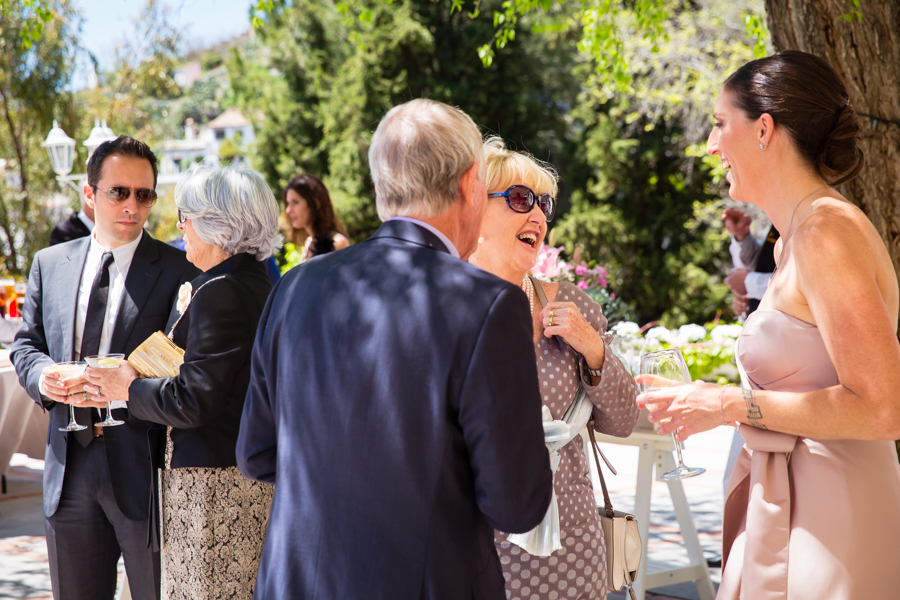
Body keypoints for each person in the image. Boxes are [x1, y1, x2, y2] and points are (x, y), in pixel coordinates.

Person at [237, 99, 553, 599]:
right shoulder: (488, 303)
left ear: (381, 185)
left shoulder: (295, 286)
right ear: (472, 184)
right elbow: (516, 503)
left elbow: (256, 454)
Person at [637, 51, 900, 599]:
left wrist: (728, 405)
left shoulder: (827, 232)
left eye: (718, 124)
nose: (710, 145)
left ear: (763, 129)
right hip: (792, 502)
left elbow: (883, 406)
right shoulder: (793, 238)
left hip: (833, 518)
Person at [10, 136, 199, 600]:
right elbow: (26, 344)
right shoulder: (48, 264)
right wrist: (42, 377)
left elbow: (187, 365)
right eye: (119, 192)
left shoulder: (180, 270)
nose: (133, 205)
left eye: (145, 194)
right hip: (67, 463)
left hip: (144, 466)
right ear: (90, 195)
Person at [79, 164, 280, 600]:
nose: (179, 227)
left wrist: (125, 388)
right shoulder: (251, 283)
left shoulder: (223, 289)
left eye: (185, 215)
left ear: (215, 222)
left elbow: (193, 399)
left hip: (213, 487)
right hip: (236, 476)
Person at [469, 138, 639, 599]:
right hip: (477, 540)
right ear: (474, 210)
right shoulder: (443, 309)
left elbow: (624, 421)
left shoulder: (571, 304)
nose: (539, 215)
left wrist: (591, 347)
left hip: (571, 544)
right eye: (520, 199)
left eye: (544, 203)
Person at [721, 209, 779, 317]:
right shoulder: (782, 218)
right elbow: (762, 260)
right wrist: (742, 235)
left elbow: (801, 284)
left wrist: (749, 281)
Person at [282, 174, 350, 260]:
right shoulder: (309, 244)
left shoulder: (338, 243)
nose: (288, 210)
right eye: (288, 203)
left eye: (295, 202)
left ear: (316, 203)